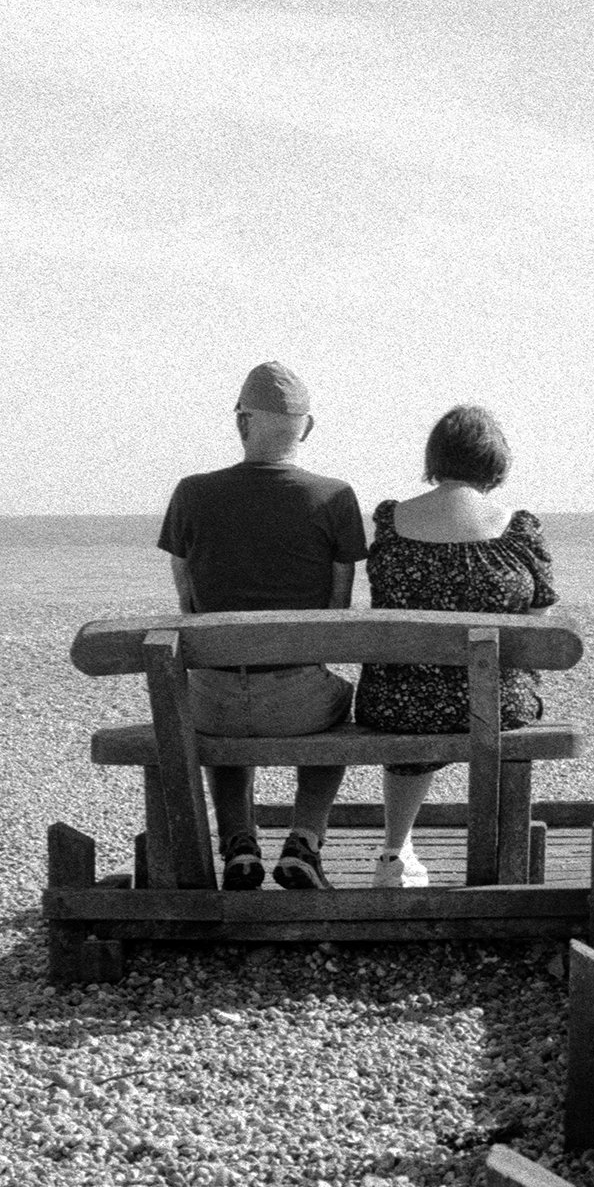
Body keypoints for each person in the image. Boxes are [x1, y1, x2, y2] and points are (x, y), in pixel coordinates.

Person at [156, 361, 366, 890]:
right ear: (309, 427)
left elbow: (189, 605)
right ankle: (304, 840)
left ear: (241, 422)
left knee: (217, 688)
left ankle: (238, 845)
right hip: (298, 701)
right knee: (341, 706)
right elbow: (335, 616)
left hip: (214, 701)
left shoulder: (190, 493)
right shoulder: (335, 497)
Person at [356, 405, 555, 887]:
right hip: (496, 705)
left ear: (435, 457)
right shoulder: (518, 528)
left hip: (399, 703)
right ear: (496, 461)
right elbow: (539, 617)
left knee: (413, 692)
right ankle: (502, 859)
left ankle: (394, 850)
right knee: (489, 693)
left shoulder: (392, 521)